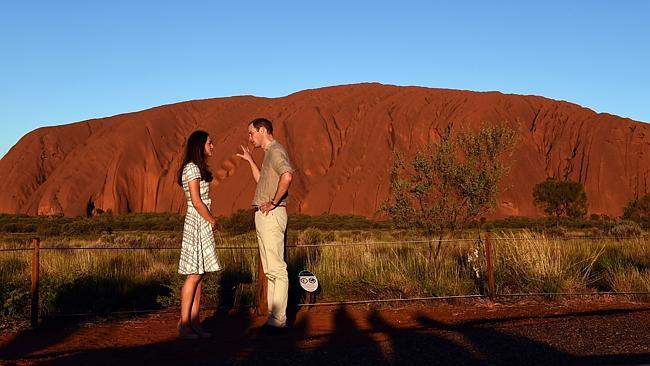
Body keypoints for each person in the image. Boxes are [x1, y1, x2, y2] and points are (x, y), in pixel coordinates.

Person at [237, 118, 294, 330]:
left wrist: (274, 202)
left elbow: (287, 176)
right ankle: (273, 319)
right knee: (270, 270)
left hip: (272, 214)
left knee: (277, 269)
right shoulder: (268, 154)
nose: (250, 138)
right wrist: (251, 161)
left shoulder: (276, 150)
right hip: (264, 215)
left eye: (251, 133)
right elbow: (262, 180)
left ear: (263, 130)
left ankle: (278, 320)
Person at [176, 130, 221, 339]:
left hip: (200, 222)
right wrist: (211, 219)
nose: (213, 146)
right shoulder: (192, 168)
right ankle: (184, 325)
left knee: (199, 275)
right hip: (197, 222)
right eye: (210, 143)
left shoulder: (197, 168)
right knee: (193, 275)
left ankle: (195, 323)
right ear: (200, 145)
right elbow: (195, 200)